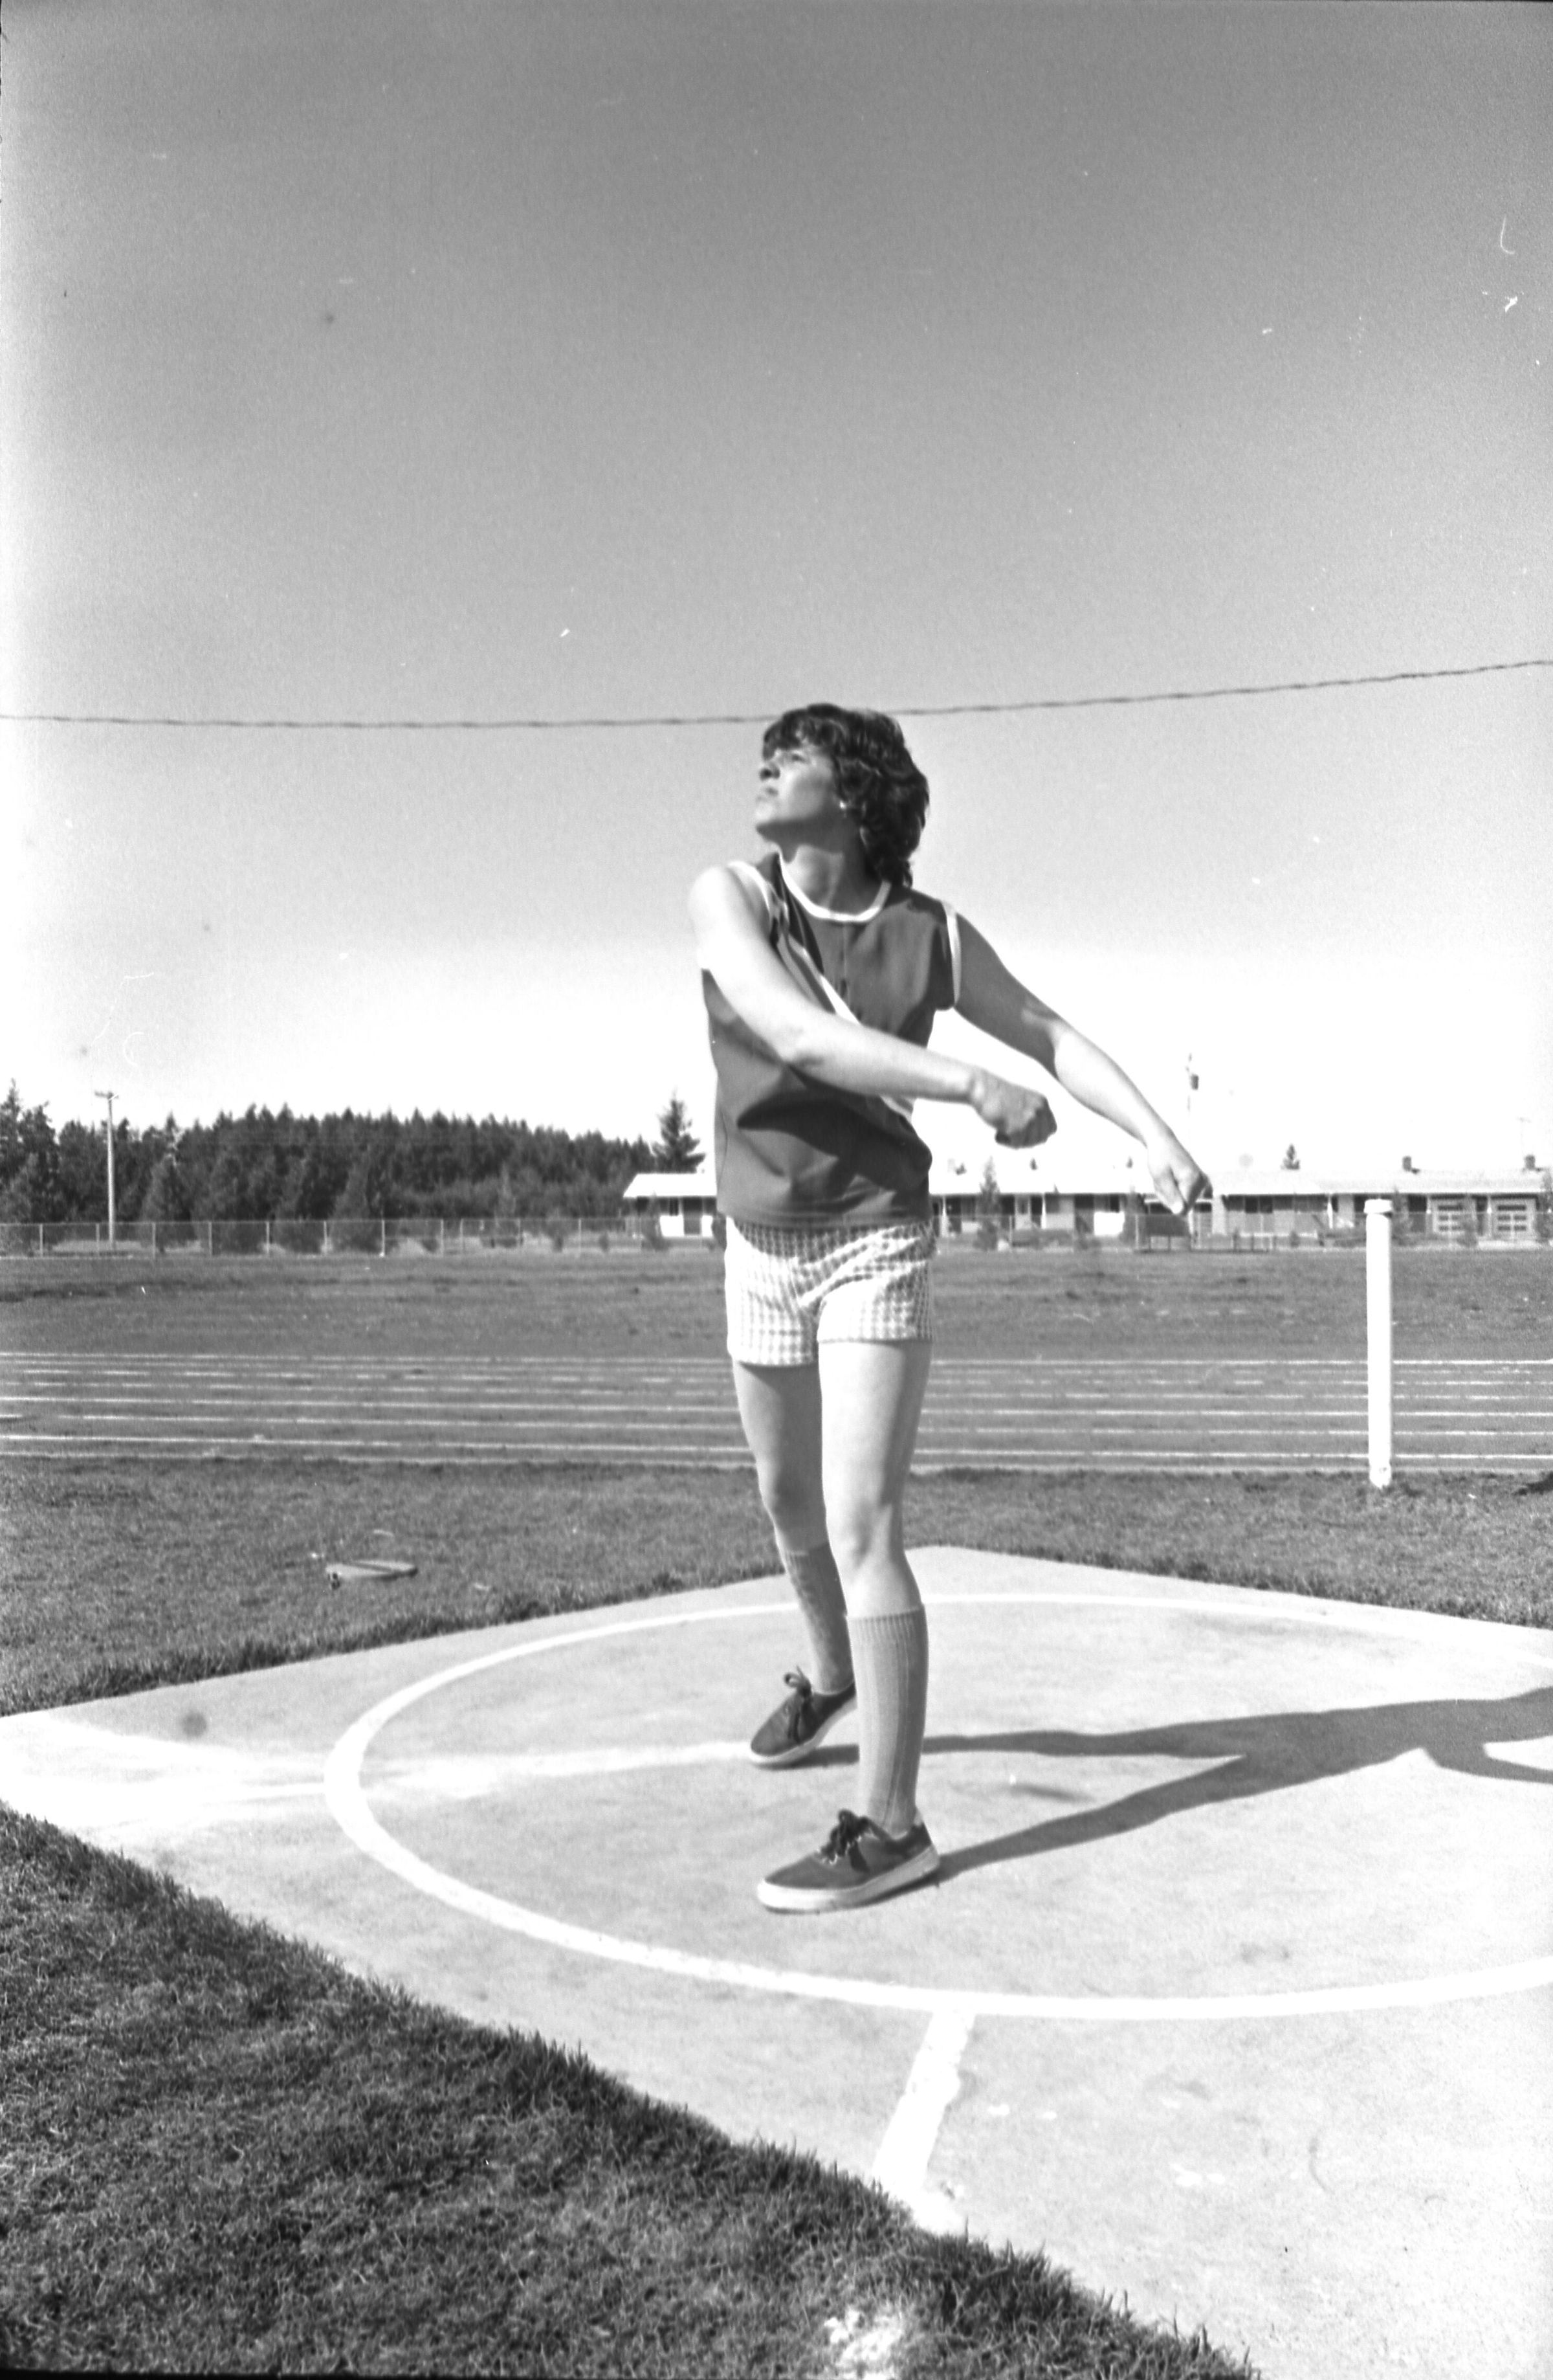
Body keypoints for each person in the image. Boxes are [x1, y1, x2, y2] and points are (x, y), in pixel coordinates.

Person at [688, 704, 1207, 1914]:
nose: (768, 764)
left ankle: (892, 1825)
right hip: (760, 1242)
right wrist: (969, 1082)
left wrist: (1158, 1134)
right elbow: (795, 1034)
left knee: (863, 1520)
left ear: (855, 792)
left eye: (796, 753)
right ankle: (831, 1673)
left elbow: (1050, 1034)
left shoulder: (934, 932)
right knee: (786, 1499)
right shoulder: (730, 895)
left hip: (877, 1236)